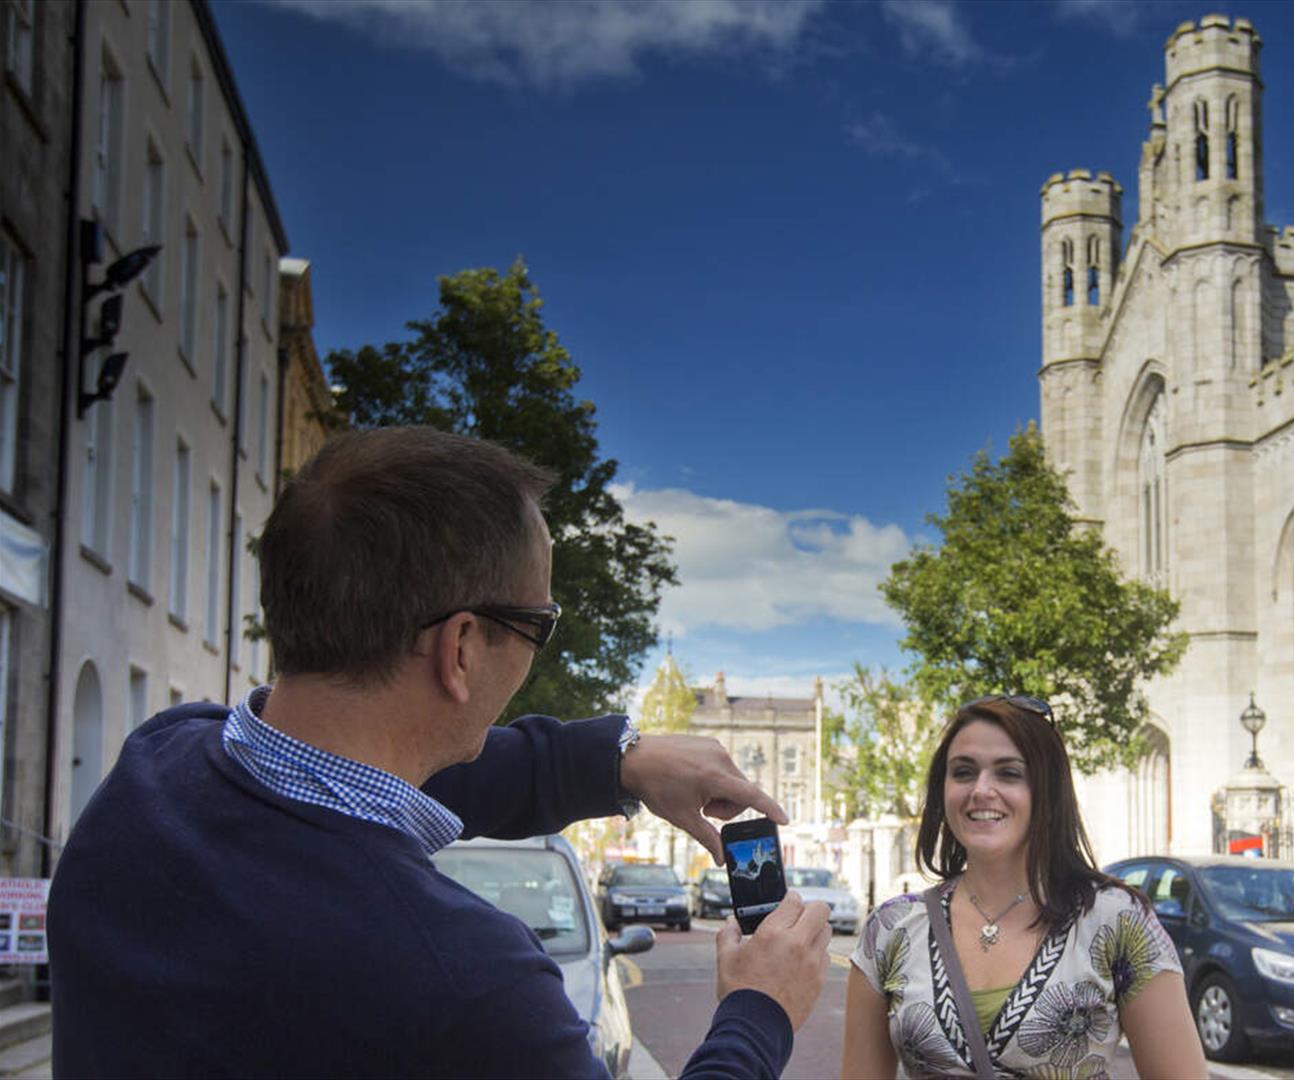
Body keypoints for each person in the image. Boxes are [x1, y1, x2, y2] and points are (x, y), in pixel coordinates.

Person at [49, 427, 830, 1078]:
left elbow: (364, 774)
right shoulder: (466, 982)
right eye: (539, 626)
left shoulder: (155, 769)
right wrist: (758, 1014)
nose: (534, 654)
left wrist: (616, 764)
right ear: (459, 648)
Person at [841, 696, 1207, 1079]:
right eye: (963, 772)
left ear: (1047, 791)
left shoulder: (1117, 922)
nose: (981, 789)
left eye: (1009, 773)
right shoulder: (891, 929)